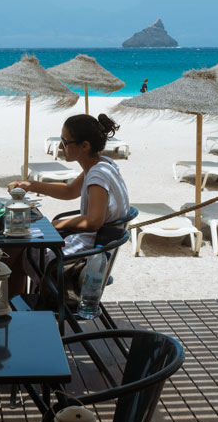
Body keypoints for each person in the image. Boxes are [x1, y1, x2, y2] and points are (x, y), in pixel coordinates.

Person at [7, 113, 129, 296]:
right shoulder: (103, 165)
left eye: (65, 142)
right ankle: (20, 306)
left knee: (14, 251)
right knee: (17, 248)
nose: (61, 146)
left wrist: (54, 226)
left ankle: (14, 307)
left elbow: (94, 221)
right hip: (93, 249)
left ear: (84, 146)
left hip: (82, 258)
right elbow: (70, 191)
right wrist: (31, 185)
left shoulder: (98, 175)